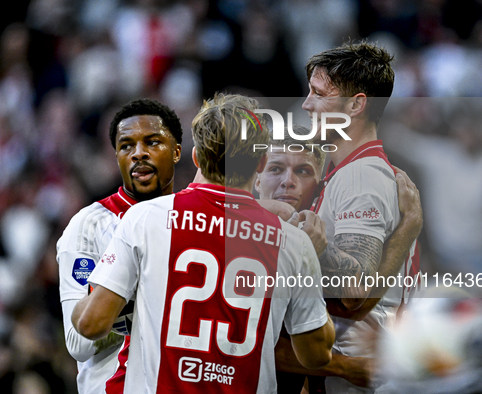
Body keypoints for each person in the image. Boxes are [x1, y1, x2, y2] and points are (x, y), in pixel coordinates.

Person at [71, 93, 335, 393]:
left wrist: (92, 296)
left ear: (196, 156)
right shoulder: (294, 242)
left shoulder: (144, 219)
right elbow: (316, 355)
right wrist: (309, 267)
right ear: (261, 162)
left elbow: (91, 324)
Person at [293, 41, 422, 393]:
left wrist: (301, 242)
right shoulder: (348, 172)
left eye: (318, 94)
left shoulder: (360, 177)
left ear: (356, 104)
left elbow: (354, 293)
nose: (307, 104)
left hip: (352, 379)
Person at [256, 129, 422, 392]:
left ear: (322, 185)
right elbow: (246, 341)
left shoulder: (321, 236)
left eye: (303, 171)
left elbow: (350, 305)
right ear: (257, 179)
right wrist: (409, 227)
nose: (288, 181)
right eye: (276, 169)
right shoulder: (248, 236)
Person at [56, 98, 182, 394]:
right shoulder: (89, 225)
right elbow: (78, 343)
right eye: (127, 146)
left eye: (152, 142)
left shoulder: (194, 220)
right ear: (116, 157)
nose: (139, 153)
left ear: (176, 152)